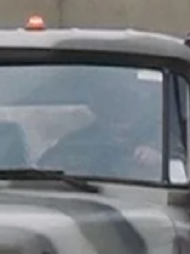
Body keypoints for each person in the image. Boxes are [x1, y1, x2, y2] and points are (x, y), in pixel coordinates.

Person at [37, 71, 171, 181]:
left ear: (139, 103)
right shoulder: (74, 144)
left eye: (125, 97)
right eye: (110, 99)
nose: (118, 105)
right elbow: (44, 173)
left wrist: (161, 162)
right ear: (95, 107)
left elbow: (180, 172)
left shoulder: (166, 138)